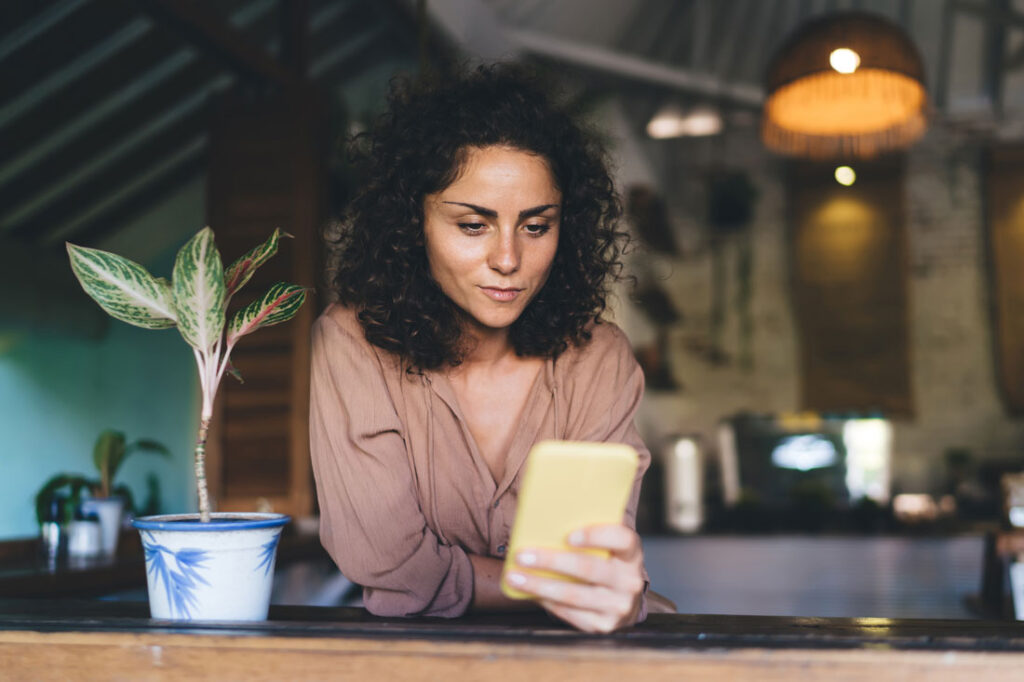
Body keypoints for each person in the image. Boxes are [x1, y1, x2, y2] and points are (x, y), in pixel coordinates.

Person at [309, 64, 656, 634]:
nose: (508, 259)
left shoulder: (599, 358)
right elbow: (391, 569)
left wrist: (598, 587)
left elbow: (593, 569)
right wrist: (572, 589)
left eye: (536, 226)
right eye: (474, 225)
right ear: (411, 223)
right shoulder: (353, 343)